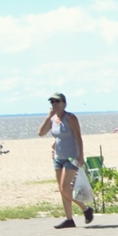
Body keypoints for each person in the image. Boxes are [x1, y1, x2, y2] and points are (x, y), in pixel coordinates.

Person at [37, 93, 93, 228]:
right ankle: (69, 219)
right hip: (58, 157)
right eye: (52, 102)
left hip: (71, 157)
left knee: (65, 188)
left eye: (57, 101)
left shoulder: (70, 117)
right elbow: (41, 133)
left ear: (64, 103)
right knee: (62, 189)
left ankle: (86, 209)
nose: (55, 104)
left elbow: (78, 137)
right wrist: (49, 116)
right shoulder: (53, 119)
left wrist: (81, 155)